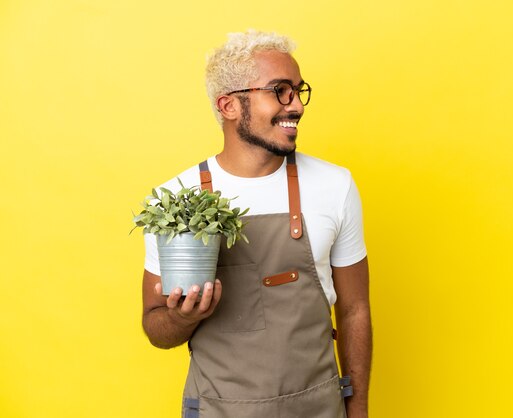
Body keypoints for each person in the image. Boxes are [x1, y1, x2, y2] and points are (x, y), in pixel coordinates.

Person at [141, 29, 372, 418]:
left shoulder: (335, 186)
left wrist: (359, 408)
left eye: (299, 91)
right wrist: (182, 317)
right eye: (280, 90)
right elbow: (155, 327)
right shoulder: (176, 200)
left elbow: (355, 311)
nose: (296, 105)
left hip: (319, 408)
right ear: (229, 106)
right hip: (218, 410)